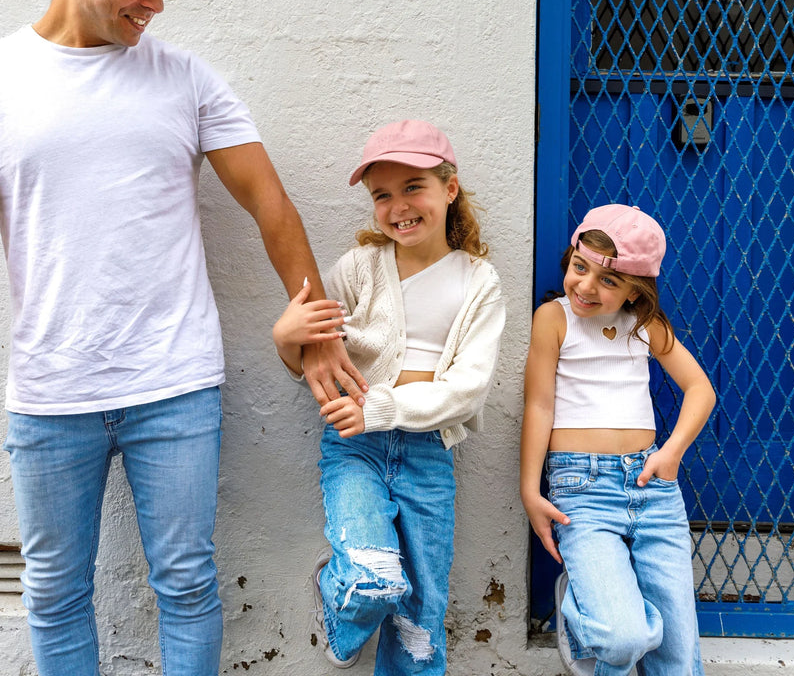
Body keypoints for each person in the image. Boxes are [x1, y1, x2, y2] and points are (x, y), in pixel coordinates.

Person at [0, 0, 364, 674]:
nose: (155, 1)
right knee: (54, 590)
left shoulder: (188, 80)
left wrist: (320, 330)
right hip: (53, 391)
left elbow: (271, 206)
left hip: (177, 383)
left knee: (188, 583)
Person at [272, 120, 505, 674]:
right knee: (374, 580)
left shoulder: (479, 281)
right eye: (382, 195)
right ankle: (337, 602)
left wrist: (383, 406)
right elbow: (318, 354)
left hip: (428, 455)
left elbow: (468, 391)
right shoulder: (359, 270)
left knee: (419, 616)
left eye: (413, 187)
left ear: (450, 189)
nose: (398, 206)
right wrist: (287, 341)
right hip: (355, 450)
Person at [520, 204, 716, 676]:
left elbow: (700, 389)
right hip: (582, 492)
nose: (586, 286)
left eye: (608, 281)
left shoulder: (645, 325)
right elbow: (538, 406)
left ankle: (609, 616)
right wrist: (531, 491)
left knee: (677, 661)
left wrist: (671, 454)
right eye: (579, 267)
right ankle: (593, 621)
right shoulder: (554, 318)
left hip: (652, 486)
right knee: (624, 638)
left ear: (635, 292)